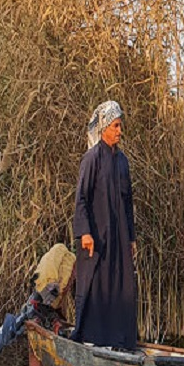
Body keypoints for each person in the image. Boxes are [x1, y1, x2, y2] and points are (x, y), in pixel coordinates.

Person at [72, 100, 137, 351]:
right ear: (104, 128)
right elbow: (82, 199)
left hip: (119, 238)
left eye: (120, 126)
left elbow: (128, 201)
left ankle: (118, 341)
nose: (120, 131)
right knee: (95, 285)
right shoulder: (92, 158)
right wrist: (85, 232)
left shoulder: (123, 161)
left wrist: (131, 239)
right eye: (116, 126)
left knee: (120, 286)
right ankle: (90, 339)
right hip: (95, 238)